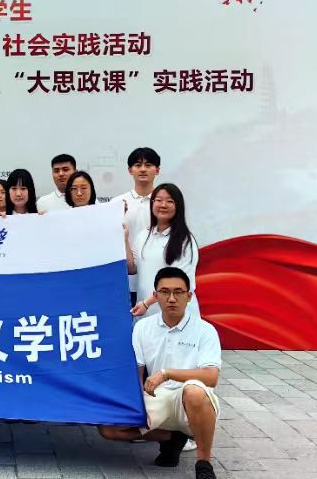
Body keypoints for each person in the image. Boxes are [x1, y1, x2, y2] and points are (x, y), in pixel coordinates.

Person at [97, 267, 220, 479]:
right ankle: (171, 438)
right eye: (164, 292)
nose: (171, 298)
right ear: (155, 295)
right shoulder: (143, 327)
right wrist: (135, 405)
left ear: (189, 296)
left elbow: (211, 377)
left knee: (194, 391)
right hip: (157, 396)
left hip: (190, 400)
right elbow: (137, 373)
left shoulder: (205, 330)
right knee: (108, 427)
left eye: (178, 292)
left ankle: (204, 464)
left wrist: (166, 373)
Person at [129, 184, 199, 318]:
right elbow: (132, 268)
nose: (163, 205)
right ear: (152, 203)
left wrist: (147, 303)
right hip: (147, 315)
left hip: (177, 315)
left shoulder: (184, 240)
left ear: (178, 206)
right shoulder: (143, 235)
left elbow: (178, 282)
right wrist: (125, 237)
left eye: (169, 201)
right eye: (159, 200)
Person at [111, 148, 161, 306]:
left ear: (157, 170)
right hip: (125, 281)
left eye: (148, 165)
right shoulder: (117, 203)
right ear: (130, 170)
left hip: (156, 281)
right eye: (138, 165)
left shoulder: (164, 203)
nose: (143, 169)